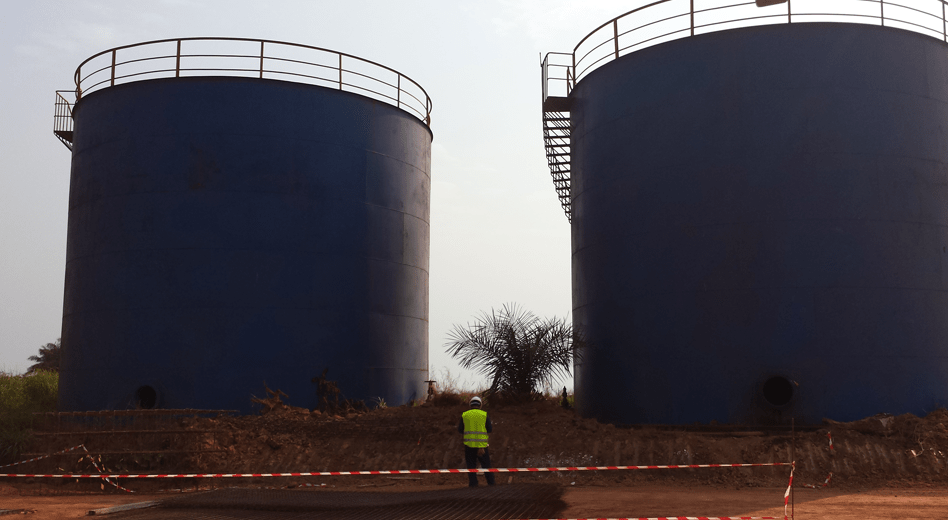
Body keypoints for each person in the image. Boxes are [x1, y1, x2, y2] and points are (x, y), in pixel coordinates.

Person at [458, 395, 495, 487]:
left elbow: (460, 430)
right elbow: (490, 429)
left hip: (469, 445)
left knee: (471, 466)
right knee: (486, 465)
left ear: (470, 405)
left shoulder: (465, 415)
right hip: (482, 446)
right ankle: (491, 483)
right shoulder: (484, 414)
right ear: (480, 405)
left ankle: (473, 484)